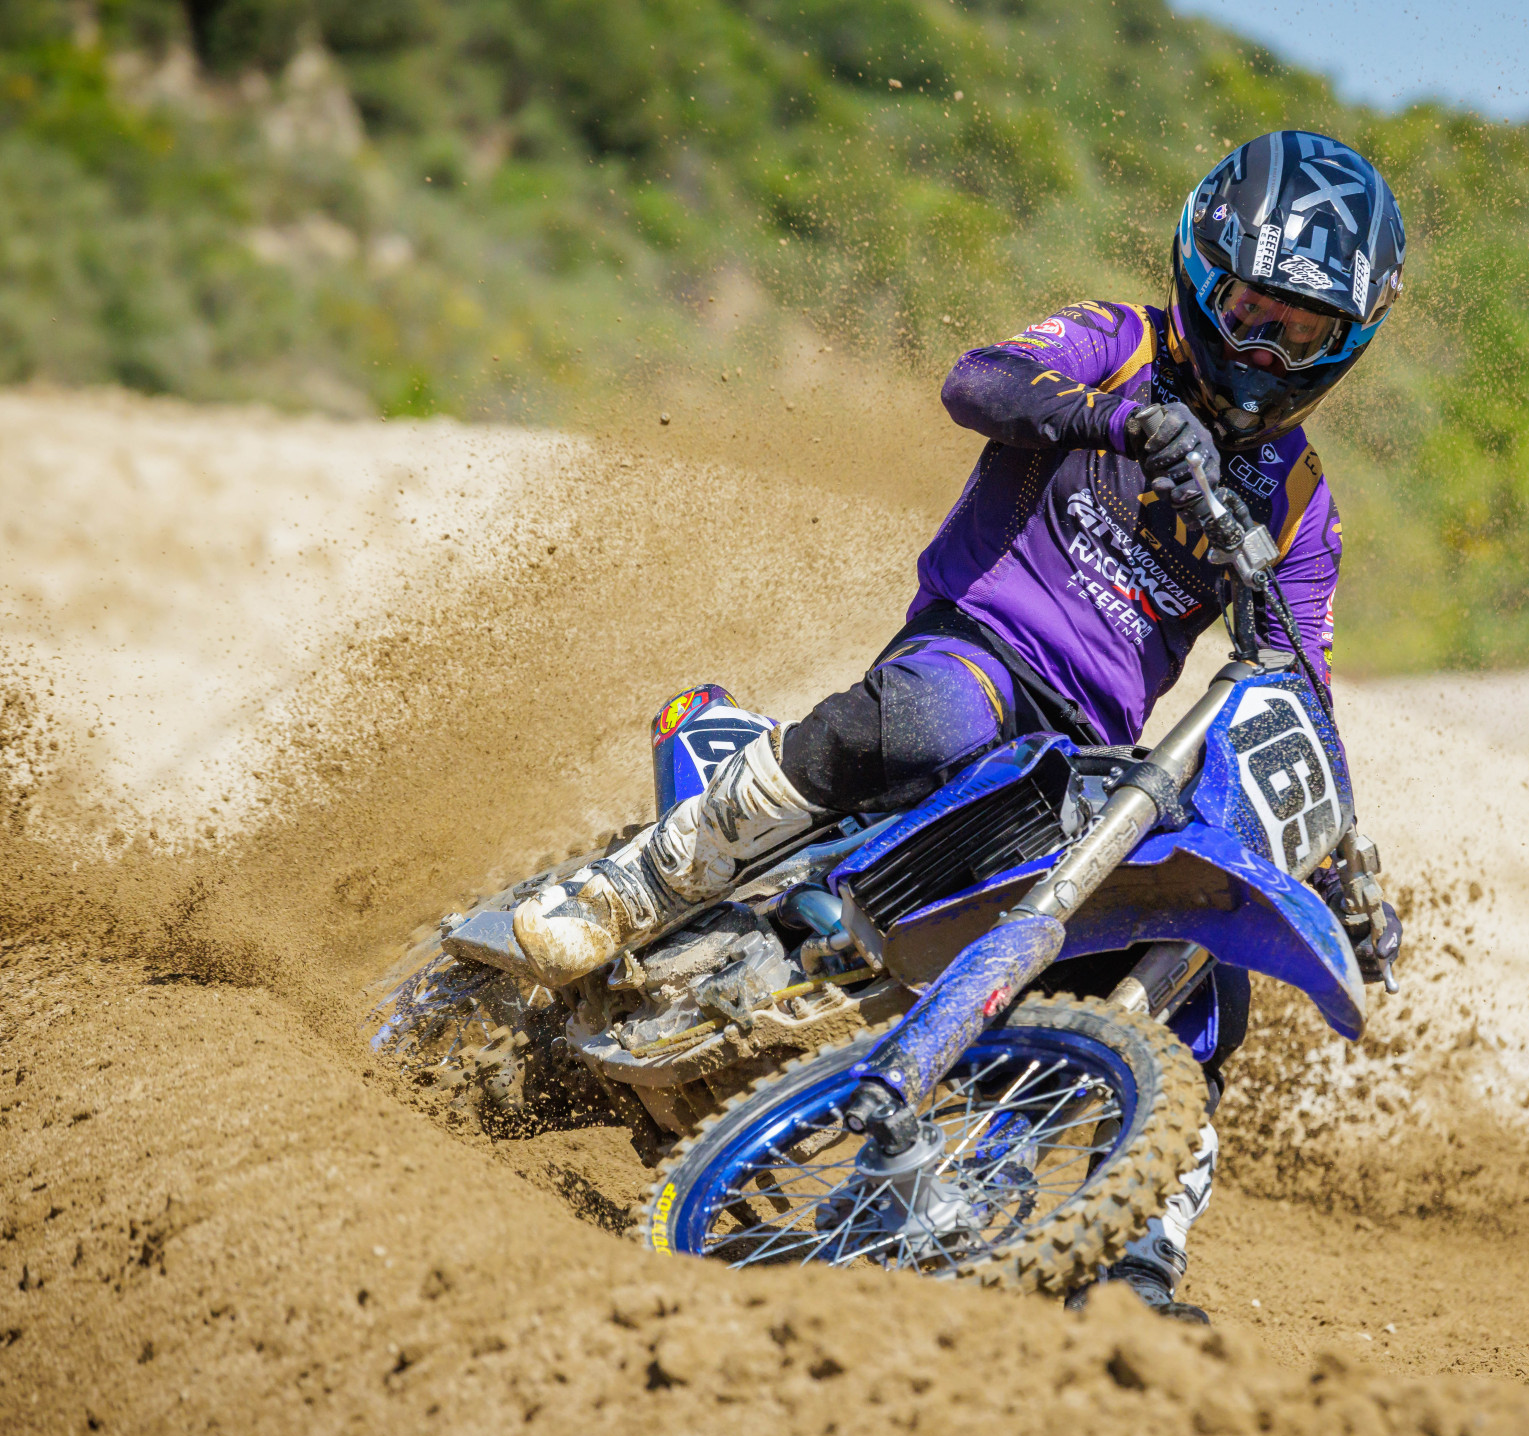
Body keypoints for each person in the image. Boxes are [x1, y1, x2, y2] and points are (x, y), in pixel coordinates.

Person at [517, 129, 1407, 1321]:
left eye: (1295, 334)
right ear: (1200, 272)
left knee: (1203, 980)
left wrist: (1335, 860)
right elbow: (976, 383)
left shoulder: (1297, 506)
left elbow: (1297, 689)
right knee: (934, 717)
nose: (1258, 350)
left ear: (1342, 345)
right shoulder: (1119, 343)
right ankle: (631, 886)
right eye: (1248, 310)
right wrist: (1119, 424)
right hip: (976, 650)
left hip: (1091, 757)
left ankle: (1136, 1257)